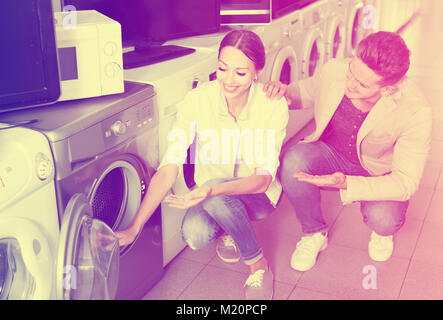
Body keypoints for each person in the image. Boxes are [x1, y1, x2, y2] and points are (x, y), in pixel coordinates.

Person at [116, 30, 289, 299]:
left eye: (241, 73)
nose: (229, 80)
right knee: (195, 234)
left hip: (258, 196)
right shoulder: (198, 100)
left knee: (215, 193)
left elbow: (263, 180)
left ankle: (259, 266)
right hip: (212, 195)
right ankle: (231, 225)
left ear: (258, 72)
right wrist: (134, 226)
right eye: (222, 68)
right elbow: (170, 164)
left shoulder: (271, 105)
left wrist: (211, 191)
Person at [264, 31, 432, 271]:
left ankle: (381, 233)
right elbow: (306, 92)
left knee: (384, 220)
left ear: (387, 90)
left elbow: (406, 181)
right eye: (351, 71)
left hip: (378, 171)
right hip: (334, 153)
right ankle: (314, 233)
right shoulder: (335, 70)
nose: (349, 83)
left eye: (361, 83)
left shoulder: (416, 110)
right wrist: (282, 92)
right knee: (292, 161)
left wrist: (347, 184)